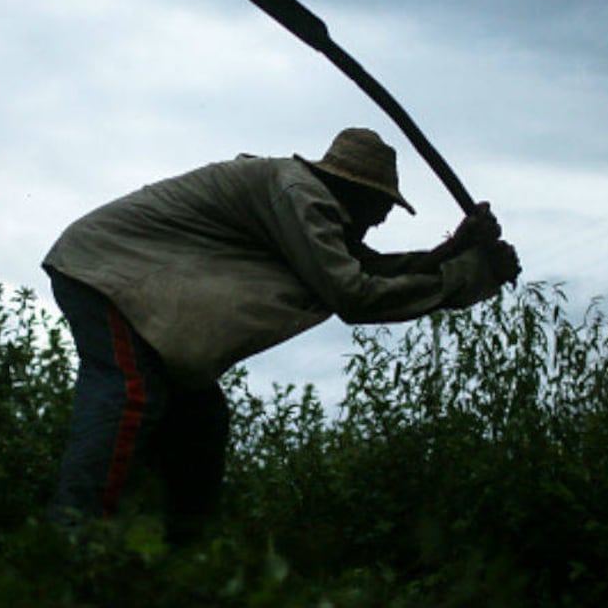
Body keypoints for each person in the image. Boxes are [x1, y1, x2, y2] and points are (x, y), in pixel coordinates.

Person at [41, 127, 521, 543]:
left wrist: (457, 252)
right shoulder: (300, 195)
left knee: (199, 425)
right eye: (380, 207)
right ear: (354, 192)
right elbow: (354, 293)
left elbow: (367, 268)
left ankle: (175, 566)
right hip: (105, 274)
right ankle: (75, 546)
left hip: (129, 289)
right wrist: (468, 275)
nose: (381, 220)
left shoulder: (307, 207)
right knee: (131, 395)